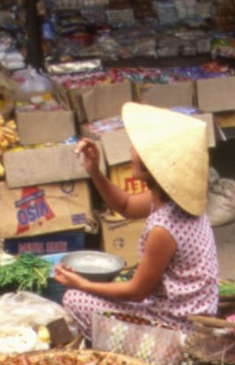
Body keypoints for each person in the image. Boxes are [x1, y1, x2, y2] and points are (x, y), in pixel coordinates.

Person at [55, 103, 218, 335]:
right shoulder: (169, 199)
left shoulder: (164, 228)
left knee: (75, 298)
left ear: (155, 168)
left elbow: (136, 292)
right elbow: (127, 206)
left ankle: (132, 348)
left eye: (139, 150)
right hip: (175, 308)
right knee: (93, 292)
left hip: (175, 325)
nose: (131, 151)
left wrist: (82, 284)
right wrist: (95, 171)